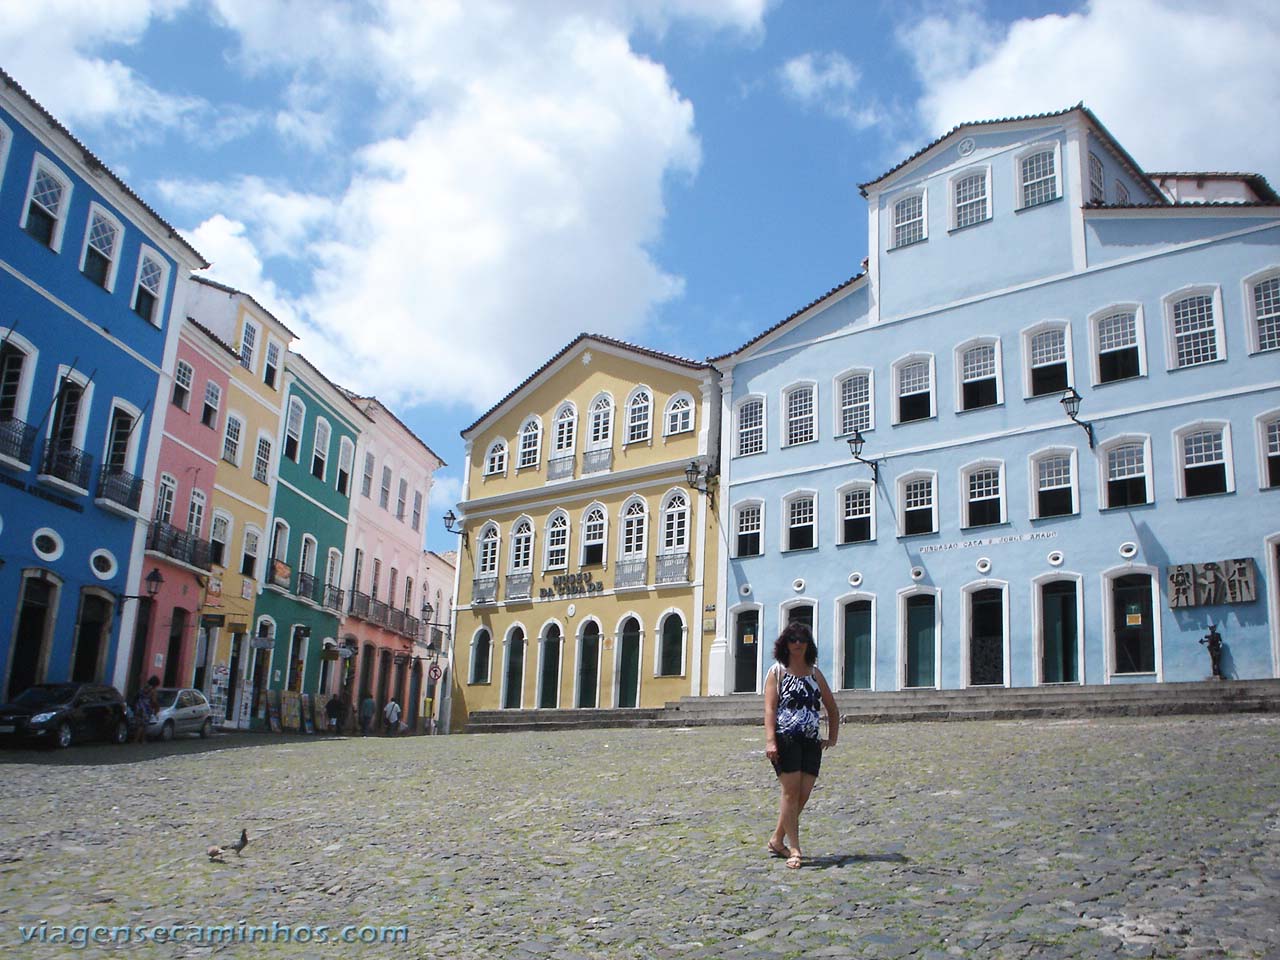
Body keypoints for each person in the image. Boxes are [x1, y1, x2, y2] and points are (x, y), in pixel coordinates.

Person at [764, 621, 839, 870]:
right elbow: (770, 709)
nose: (798, 644)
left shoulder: (815, 674)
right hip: (786, 738)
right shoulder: (777, 672)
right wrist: (770, 741)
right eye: (793, 639)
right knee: (790, 793)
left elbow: (831, 706)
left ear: (809, 645)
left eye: (802, 639)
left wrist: (833, 737)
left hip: (811, 741)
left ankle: (777, 839)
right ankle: (795, 849)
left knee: (803, 795)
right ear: (785, 643)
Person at [133, 675, 160, 744]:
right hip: (146, 708)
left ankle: (135, 739)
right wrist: (156, 707)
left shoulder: (143, 688)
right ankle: (142, 740)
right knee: (144, 725)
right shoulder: (153, 691)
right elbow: (154, 701)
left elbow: (137, 696)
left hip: (139, 707)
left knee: (138, 724)